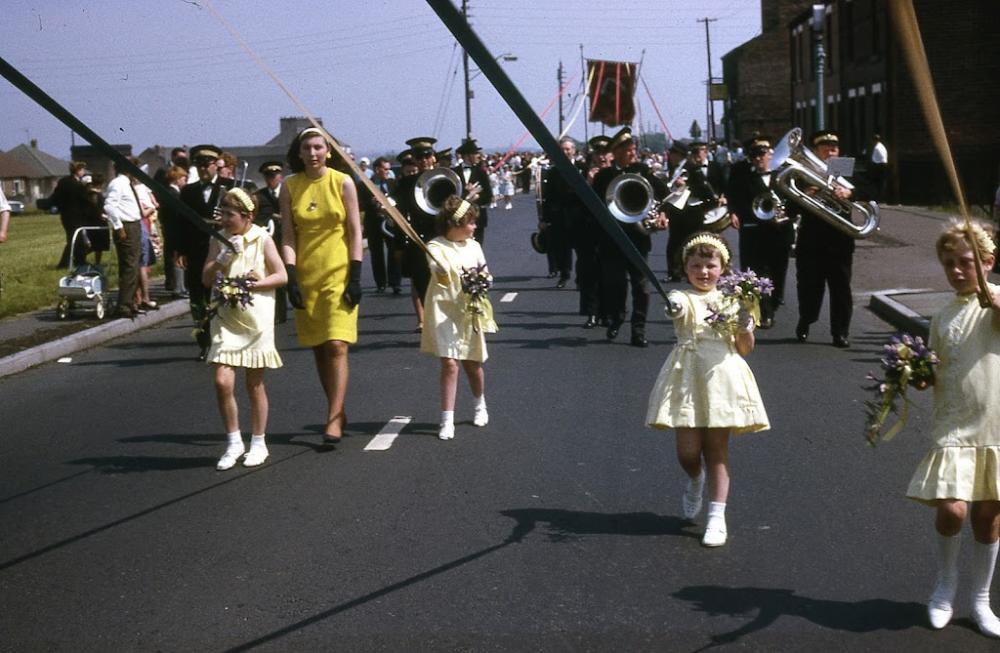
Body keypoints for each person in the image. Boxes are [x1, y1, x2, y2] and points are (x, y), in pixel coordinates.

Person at [906, 219, 1000, 637]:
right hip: (954, 425)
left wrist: (993, 298)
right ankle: (946, 584)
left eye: (967, 263)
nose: (958, 271)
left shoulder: (995, 301)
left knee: (988, 518)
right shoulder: (942, 316)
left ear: (988, 262)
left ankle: (981, 601)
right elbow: (935, 372)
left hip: (995, 426)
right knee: (952, 509)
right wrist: (916, 374)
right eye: (950, 264)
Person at [645, 232, 769, 547]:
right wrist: (673, 304)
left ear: (723, 268)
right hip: (687, 378)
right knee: (687, 452)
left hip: (723, 378)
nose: (703, 272)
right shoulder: (682, 297)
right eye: (696, 265)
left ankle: (717, 517)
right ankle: (695, 479)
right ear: (685, 268)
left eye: (710, 265)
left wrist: (744, 324)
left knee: (716, 450)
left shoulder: (735, 300)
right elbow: (677, 308)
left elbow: (744, 348)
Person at [280, 127, 363, 445]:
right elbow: (288, 236)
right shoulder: (289, 186)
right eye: (307, 148)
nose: (313, 153)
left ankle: (332, 418)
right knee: (318, 346)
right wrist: (291, 276)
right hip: (307, 274)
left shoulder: (342, 182)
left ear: (328, 151)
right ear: (298, 153)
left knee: (337, 345)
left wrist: (355, 276)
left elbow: (355, 232)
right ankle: (337, 409)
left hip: (339, 272)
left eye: (318, 147)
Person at [203, 188, 287, 470]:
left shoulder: (262, 238)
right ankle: (234, 441)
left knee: (254, 383)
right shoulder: (218, 239)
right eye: (222, 214)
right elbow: (206, 279)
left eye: (230, 215)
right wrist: (222, 259)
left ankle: (259, 442)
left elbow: (281, 275)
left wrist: (252, 283)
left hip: (256, 320)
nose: (224, 220)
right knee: (222, 381)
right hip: (226, 318)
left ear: (247, 216)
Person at [421, 196, 496, 441]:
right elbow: (436, 269)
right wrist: (440, 269)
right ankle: (447, 419)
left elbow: (485, 272)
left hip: (469, 310)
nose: (474, 227)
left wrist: (485, 281)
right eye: (471, 222)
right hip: (443, 311)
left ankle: (479, 405)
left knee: (472, 364)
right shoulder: (435, 247)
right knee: (450, 363)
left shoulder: (474, 246)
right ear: (456, 222)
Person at [591, 127, 668, 347]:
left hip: (638, 238)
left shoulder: (642, 171)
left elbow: (664, 193)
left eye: (633, 149)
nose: (632, 154)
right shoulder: (604, 176)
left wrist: (663, 213)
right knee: (614, 284)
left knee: (641, 286)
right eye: (627, 150)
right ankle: (616, 318)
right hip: (612, 239)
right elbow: (595, 207)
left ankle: (638, 330)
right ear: (614, 152)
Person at [794, 129, 862, 348]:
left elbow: (872, 188)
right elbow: (790, 205)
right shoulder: (803, 172)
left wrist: (850, 193)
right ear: (816, 151)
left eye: (835, 148)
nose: (832, 151)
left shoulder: (845, 169)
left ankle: (840, 332)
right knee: (808, 286)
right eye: (826, 148)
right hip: (811, 240)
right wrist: (807, 193)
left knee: (841, 288)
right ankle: (806, 319)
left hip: (839, 239)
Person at [726, 136, 794, 329]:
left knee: (778, 272)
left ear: (771, 154)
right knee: (757, 272)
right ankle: (766, 312)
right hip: (754, 232)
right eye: (754, 155)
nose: (758, 159)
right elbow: (733, 195)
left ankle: (774, 300)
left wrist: (785, 215)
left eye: (762, 154)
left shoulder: (784, 174)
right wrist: (733, 213)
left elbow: (794, 200)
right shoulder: (742, 175)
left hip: (779, 232)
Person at [179, 144, 233, 359]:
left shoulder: (228, 188)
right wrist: (180, 250)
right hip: (196, 249)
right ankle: (205, 342)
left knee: (225, 294)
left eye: (207, 164)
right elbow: (180, 223)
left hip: (222, 250)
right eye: (199, 165)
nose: (203, 168)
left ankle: (225, 340)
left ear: (215, 165)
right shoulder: (188, 191)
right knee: (198, 297)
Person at [103, 158, 147, 318]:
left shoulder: (127, 184)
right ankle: (124, 305)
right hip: (127, 226)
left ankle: (130, 302)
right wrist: (118, 226)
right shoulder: (118, 184)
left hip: (133, 225)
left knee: (133, 265)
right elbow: (109, 205)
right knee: (129, 266)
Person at [358, 156, 401, 294]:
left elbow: (399, 200)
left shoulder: (393, 184)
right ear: (377, 169)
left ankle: (395, 282)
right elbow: (359, 204)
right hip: (373, 222)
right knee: (376, 254)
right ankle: (380, 283)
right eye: (385, 169)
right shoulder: (365, 185)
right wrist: (371, 202)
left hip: (390, 222)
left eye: (389, 169)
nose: (388, 172)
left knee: (394, 252)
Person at [539, 137, 579, 288]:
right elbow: (548, 197)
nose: (566, 152)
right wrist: (544, 218)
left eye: (568, 149)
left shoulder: (583, 167)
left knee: (583, 249)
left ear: (574, 151)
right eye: (563, 149)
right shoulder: (554, 171)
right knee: (562, 248)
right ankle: (564, 274)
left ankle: (582, 278)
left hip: (579, 215)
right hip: (560, 216)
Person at [253, 161, 288, 321]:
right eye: (268, 176)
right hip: (270, 240)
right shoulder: (259, 196)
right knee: (274, 273)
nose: (272, 179)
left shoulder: (288, 192)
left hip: (288, 239)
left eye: (274, 175)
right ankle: (277, 313)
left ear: (280, 176)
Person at [44, 161, 89, 268]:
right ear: (78, 170)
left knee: (74, 239)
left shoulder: (63, 181)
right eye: (82, 169)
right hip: (76, 215)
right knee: (75, 240)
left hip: (65, 215)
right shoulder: (77, 185)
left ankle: (78, 260)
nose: (84, 172)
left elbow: (56, 197)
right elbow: (83, 199)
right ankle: (66, 263)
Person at [156, 165, 189, 298]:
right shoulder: (174, 194)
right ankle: (178, 288)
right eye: (184, 179)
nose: (185, 182)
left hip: (170, 229)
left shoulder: (166, 192)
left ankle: (179, 287)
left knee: (174, 257)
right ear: (178, 179)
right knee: (176, 257)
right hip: (175, 229)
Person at [453, 139, 493, 246]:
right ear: (467, 155)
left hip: (477, 219)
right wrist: (467, 195)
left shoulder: (481, 173)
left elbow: (489, 196)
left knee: (477, 248)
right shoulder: (454, 172)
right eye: (475, 153)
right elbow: (451, 196)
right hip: (459, 217)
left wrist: (476, 196)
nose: (478, 156)